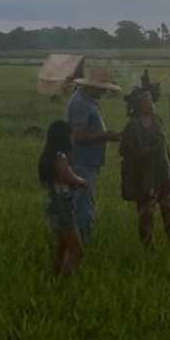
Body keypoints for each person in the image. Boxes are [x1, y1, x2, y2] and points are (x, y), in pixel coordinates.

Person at [66, 67, 122, 244]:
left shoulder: (88, 100)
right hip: (81, 162)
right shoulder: (81, 103)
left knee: (80, 203)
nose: (105, 91)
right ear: (93, 87)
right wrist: (106, 136)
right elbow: (79, 136)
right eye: (103, 88)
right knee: (83, 206)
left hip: (87, 162)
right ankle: (82, 244)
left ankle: (76, 242)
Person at [120, 91, 170, 248]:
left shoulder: (158, 120)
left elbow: (165, 145)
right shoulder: (133, 126)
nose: (151, 104)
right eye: (147, 102)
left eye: (151, 101)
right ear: (139, 106)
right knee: (146, 213)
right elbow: (125, 151)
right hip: (145, 176)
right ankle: (148, 245)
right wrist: (145, 152)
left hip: (164, 173)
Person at [38, 120, 88, 277]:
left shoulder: (49, 155)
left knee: (62, 246)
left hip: (55, 204)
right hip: (63, 206)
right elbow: (66, 175)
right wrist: (81, 181)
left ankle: (55, 278)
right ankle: (64, 283)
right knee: (77, 251)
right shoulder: (60, 157)